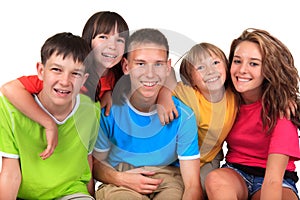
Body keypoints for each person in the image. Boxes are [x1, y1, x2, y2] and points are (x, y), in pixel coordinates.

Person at [0, 11, 129, 159]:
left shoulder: (118, 78)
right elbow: (8, 88)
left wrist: (110, 93)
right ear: (89, 40)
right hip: (44, 138)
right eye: (103, 37)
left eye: (119, 40)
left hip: (83, 147)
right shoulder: (69, 75)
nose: (112, 45)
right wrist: (48, 123)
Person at [92, 28, 203, 200]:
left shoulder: (183, 116)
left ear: (168, 68)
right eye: (141, 64)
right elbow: (95, 164)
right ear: (126, 66)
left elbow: (192, 186)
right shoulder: (109, 110)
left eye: (158, 64)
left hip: (169, 178)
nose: (150, 74)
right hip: (120, 177)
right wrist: (121, 179)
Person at [0, 32, 100, 199]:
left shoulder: (91, 111)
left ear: (84, 80)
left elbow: (86, 161)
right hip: (25, 196)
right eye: (56, 70)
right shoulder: (10, 109)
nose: (65, 81)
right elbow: (10, 173)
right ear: (41, 71)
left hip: (71, 192)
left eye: (75, 74)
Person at [204, 28, 300, 200]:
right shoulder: (225, 99)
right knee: (215, 179)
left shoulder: (281, 112)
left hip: (277, 178)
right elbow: (186, 90)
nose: (242, 70)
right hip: (236, 173)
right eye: (237, 61)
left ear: (269, 69)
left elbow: (273, 181)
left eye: (254, 63)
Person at [157, 42, 237, 197]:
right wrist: (164, 96)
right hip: (177, 162)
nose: (210, 71)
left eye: (215, 63)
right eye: (200, 67)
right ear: (190, 78)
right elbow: (168, 73)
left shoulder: (234, 95)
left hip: (209, 160)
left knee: (209, 190)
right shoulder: (189, 93)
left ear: (226, 67)